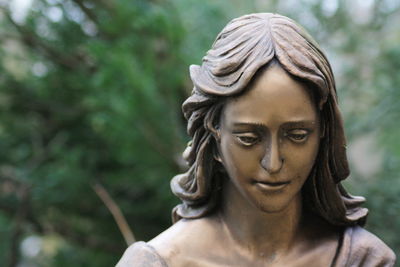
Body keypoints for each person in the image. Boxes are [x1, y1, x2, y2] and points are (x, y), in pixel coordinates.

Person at [117, 13, 396, 266]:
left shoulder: (362, 259)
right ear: (214, 133)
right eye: (248, 138)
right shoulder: (158, 262)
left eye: (297, 135)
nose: (273, 162)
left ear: (324, 132)